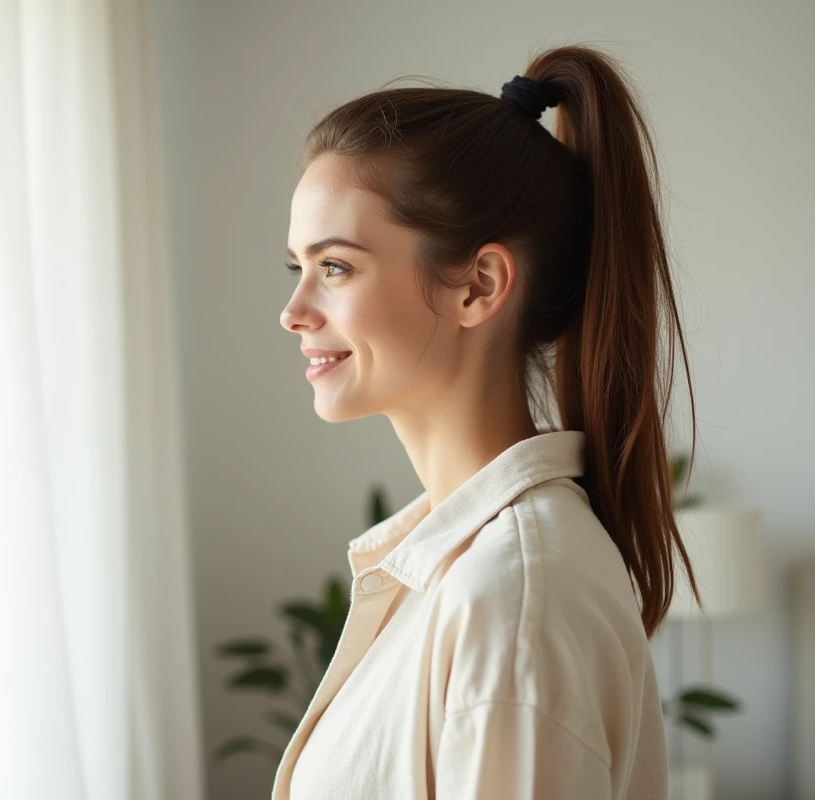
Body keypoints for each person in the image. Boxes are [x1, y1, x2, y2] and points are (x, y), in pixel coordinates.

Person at [274, 44, 701, 799]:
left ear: (480, 284)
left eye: (334, 267)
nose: (294, 312)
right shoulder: (462, 573)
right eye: (297, 268)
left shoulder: (510, 600)